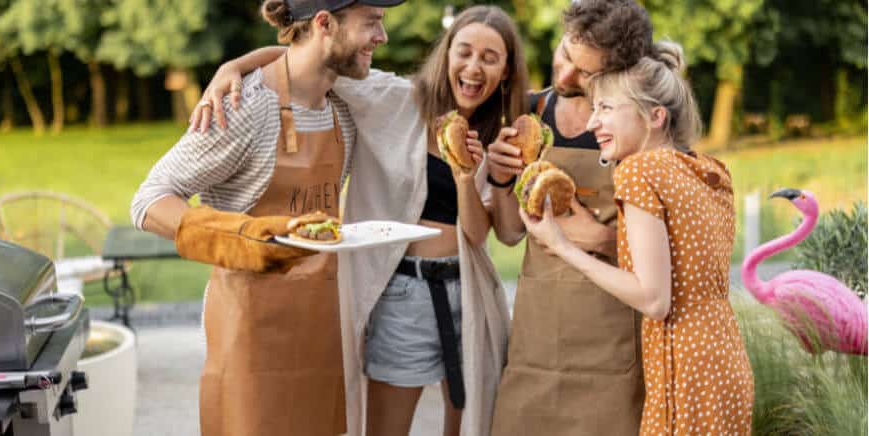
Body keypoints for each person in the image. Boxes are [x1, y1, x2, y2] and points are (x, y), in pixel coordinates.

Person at [191, 6, 528, 436]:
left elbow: (479, 235)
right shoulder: (393, 99)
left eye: (490, 58)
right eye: (464, 52)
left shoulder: (500, 133)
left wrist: (466, 175)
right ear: (445, 56)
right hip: (405, 292)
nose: (474, 67)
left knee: (469, 426)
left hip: (469, 295)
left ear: (505, 71)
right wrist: (233, 67)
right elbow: (308, 56)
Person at [129, 1, 405, 435]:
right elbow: (149, 200)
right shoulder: (244, 106)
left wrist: (237, 61)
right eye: (372, 23)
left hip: (322, 332)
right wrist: (243, 236)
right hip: (251, 339)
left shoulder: (347, 103)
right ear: (324, 23)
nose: (382, 37)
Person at [521, 41, 755, 435]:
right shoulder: (709, 169)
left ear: (655, 116)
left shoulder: (639, 170)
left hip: (685, 366)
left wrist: (562, 245)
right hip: (726, 359)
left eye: (607, 109)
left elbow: (654, 298)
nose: (594, 122)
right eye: (594, 108)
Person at [484, 1, 654, 434]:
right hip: (536, 344)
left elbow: (669, 258)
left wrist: (597, 238)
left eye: (585, 73)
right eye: (565, 54)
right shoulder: (530, 116)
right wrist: (501, 178)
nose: (563, 77)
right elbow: (507, 233)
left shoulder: (644, 133)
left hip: (613, 349)